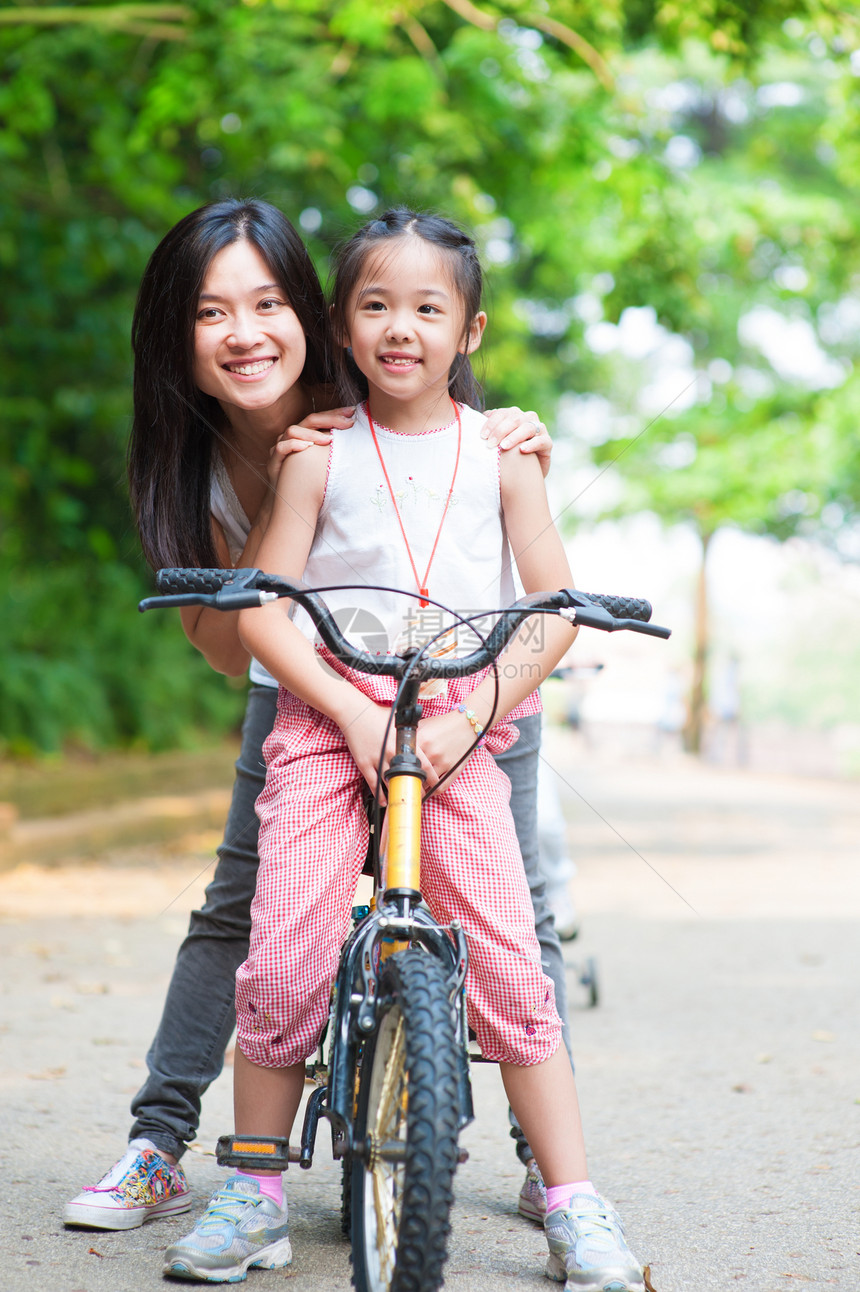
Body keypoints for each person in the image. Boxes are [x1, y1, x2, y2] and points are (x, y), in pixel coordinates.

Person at [63, 199, 570, 1233]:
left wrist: (516, 430)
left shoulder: (385, 378)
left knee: (511, 905)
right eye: (211, 312)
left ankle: (543, 1160)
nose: (244, 332)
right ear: (177, 332)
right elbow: (227, 639)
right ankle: (161, 1144)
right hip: (301, 684)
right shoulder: (197, 459)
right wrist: (288, 524)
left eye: (266, 303)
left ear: (312, 314)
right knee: (244, 905)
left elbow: (476, 480)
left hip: (462, 686)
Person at [162, 208, 645, 1290]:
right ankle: (250, 1190)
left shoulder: (502, 454)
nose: (400, 328)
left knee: (512, 964)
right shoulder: (318, 453)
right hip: (329, 716)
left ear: (467, 333)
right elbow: (266, 610)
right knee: (281, 947)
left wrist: (474, 714)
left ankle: (571, 1198)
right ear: (340, 324)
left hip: (463, 722)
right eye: (375, 305)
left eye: (428, 309)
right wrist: (344, 708)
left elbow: (550, 604)